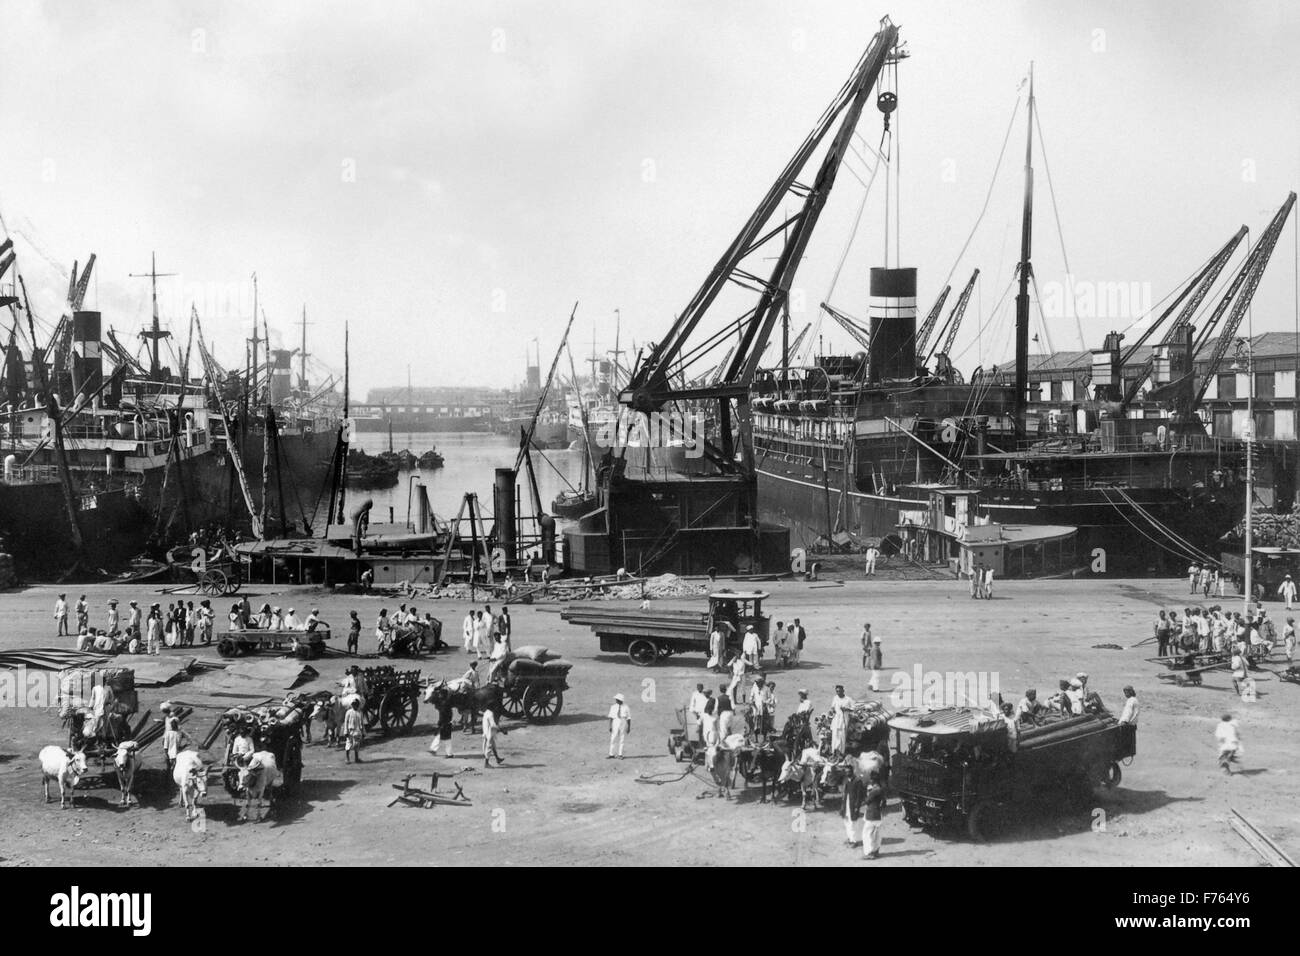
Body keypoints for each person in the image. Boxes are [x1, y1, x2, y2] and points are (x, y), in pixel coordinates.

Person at [862, 770, 886, 860]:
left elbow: (866, 801)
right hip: (878, 814)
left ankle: (869, 852)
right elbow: (884, 803)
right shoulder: (881, 789)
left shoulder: (874, 790)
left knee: (867, 834)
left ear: (872, 780)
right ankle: (876, 851)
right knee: (877, 834)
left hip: (872, 814)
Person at [843, 765, 867, 849]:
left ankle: (854, 841)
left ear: (852, 771)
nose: (847, 773)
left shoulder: (857, 781)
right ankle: (849, 837)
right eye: (846, 772)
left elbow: (859, 796)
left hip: (853, 805)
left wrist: (857, 806)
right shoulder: (846, 780)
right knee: (846, 821)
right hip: (846, 803)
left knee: (853, 822)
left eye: (848, 772)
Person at [829, 685, 855, 757]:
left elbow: (853, 708)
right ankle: (834, 751)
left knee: (842, 736)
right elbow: (832, 707)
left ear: (843, 691)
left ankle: (841, 752)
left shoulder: (848, 699)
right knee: (835, 735)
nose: (838, 693)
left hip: (844, 719)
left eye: (840, 691)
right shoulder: (835, 698)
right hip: (836, 719)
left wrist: (846, 709)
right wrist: (831, 711)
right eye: (837, 691)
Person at [607, 693, 632, 759]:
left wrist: (629, 727)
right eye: (616, 699)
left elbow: (629, 718)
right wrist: (610, 726)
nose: (616, 700)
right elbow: (610, 717)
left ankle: (620, 754)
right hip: (615, 721)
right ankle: (611, 754)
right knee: (613, 738)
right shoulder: (613, 707)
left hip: (623, 721)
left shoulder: (626, 707)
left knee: (622, 738)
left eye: (617, 699)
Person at [343, 698, 365, 763]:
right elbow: (346, 722)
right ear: (352, 705)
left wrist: (363, 732)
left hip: (357, 731)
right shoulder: (348, 712)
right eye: (353, 704)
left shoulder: (360, 712)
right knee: (348, 744)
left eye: (356, 704)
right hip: (350, 731)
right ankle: (347, 759)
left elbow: (362, 723)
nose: (355, 706)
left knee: (356, 744)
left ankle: (356, 758)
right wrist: (346, 731)